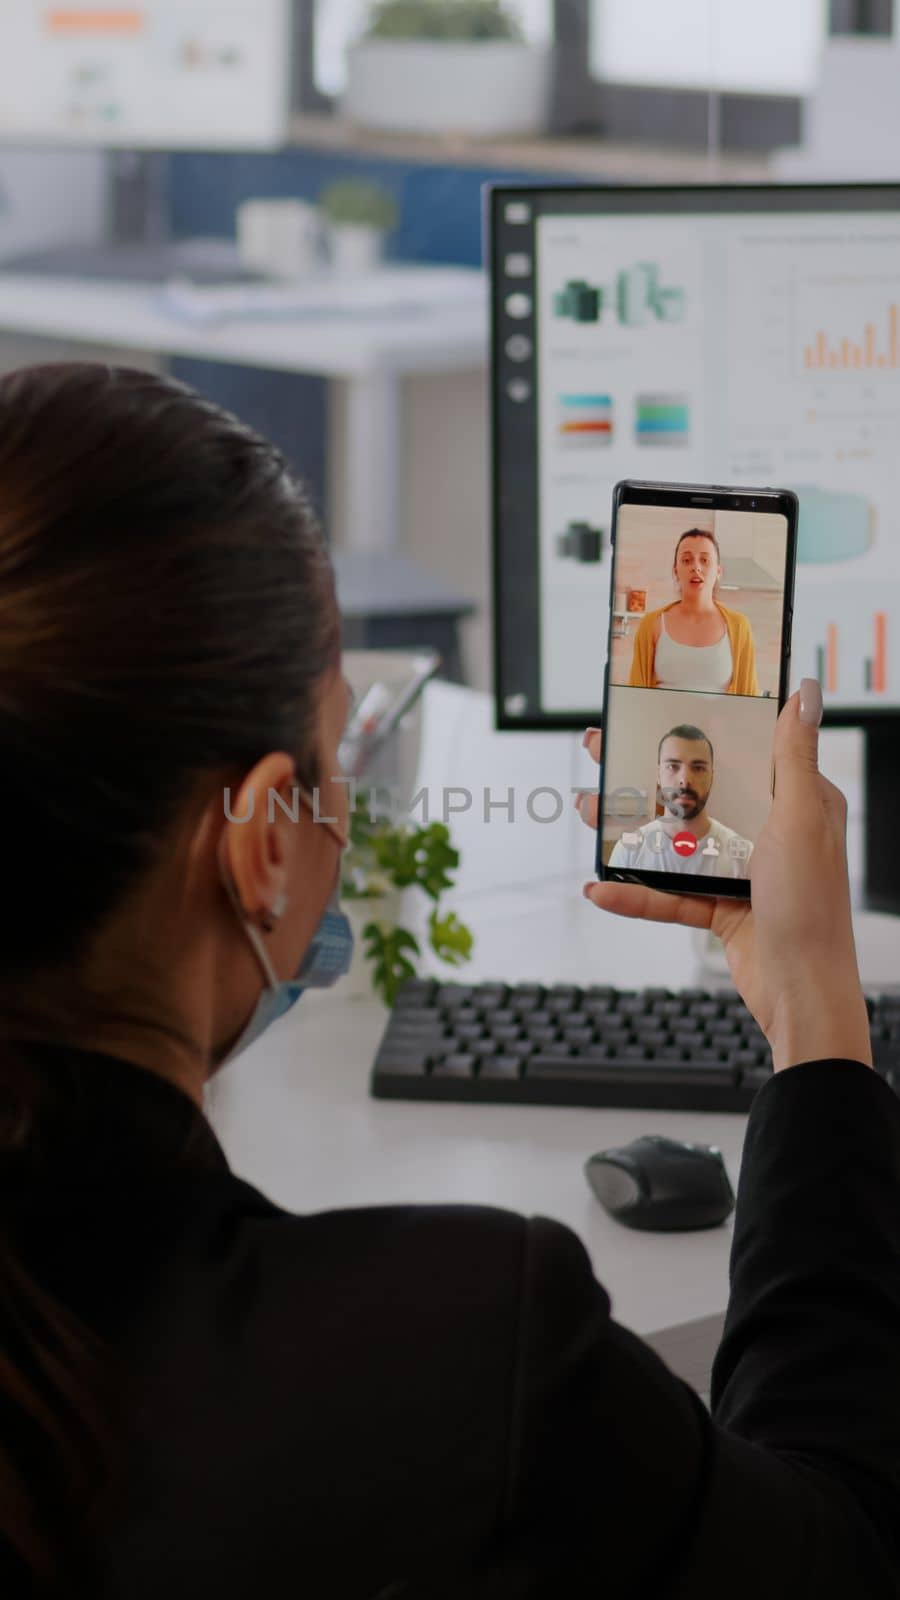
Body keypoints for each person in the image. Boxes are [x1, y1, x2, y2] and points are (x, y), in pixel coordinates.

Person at [0, 365, 898, 1599]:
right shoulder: (473, 1357)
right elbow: (845, 1560)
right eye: (339, 754)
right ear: (266, 842)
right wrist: (816, 1014)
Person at [608, 723, 754, 877]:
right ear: (658, 775)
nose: (685, 780)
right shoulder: (629, 850)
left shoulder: (744, 857)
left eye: (698, 768)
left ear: (712, 776)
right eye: (673, 766)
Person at [628, 527, 761, 694]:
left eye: (705, 560)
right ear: (676, 570)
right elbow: (634, 697)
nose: (696, 567)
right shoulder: (650, 625)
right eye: (686, 560)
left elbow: (748, 698)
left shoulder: (739, 626)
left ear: (718, 571)